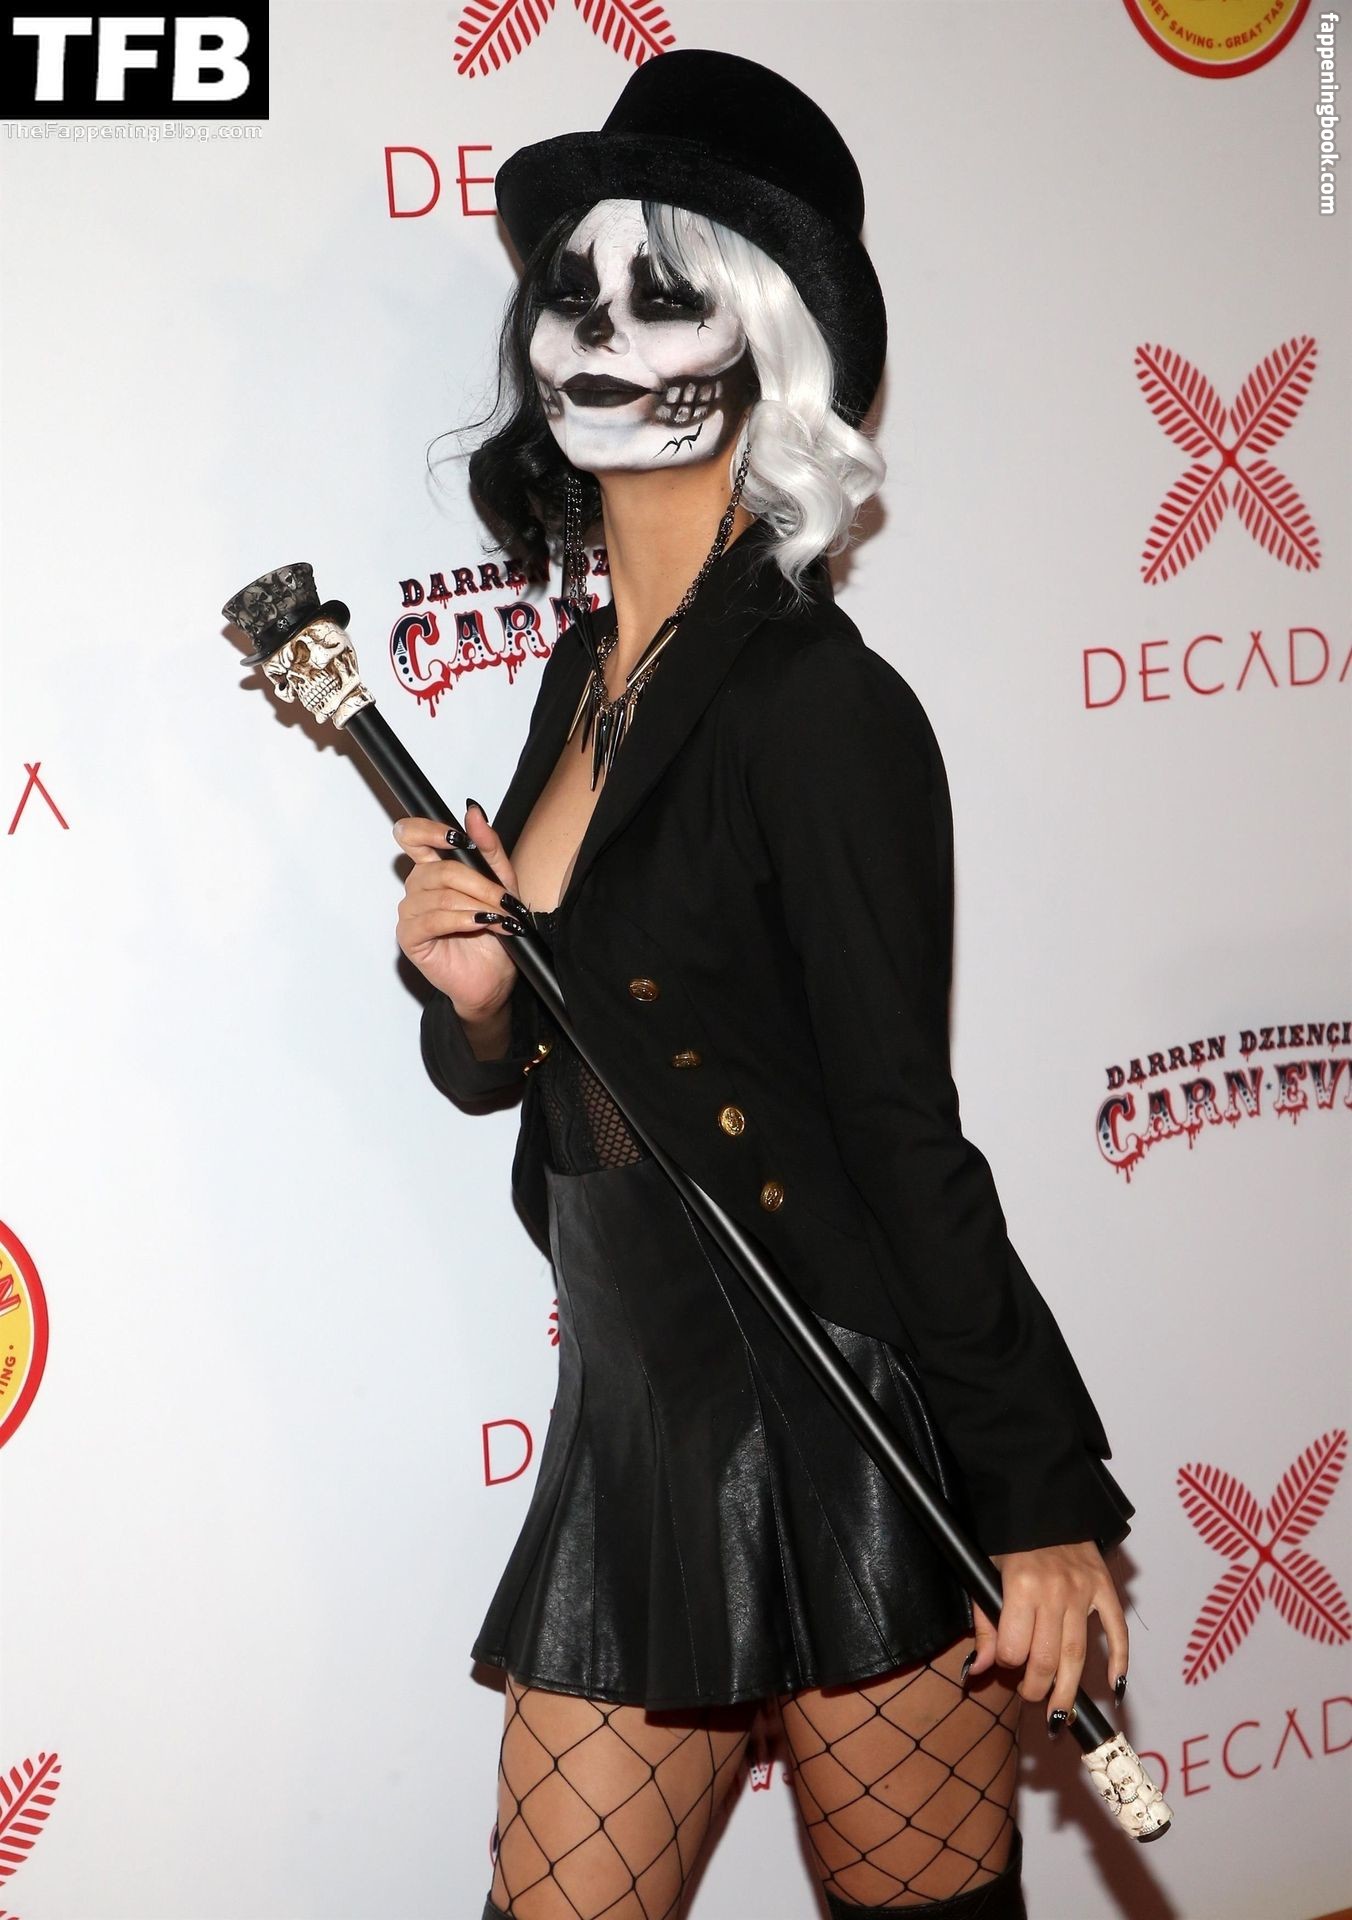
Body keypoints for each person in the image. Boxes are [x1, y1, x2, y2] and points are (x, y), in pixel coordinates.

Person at [395, 50, 1133, 1920]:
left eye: (664, 291)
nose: (598, 332)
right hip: (633, 1419)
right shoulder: (581, 682)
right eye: (572, 286)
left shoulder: (823, 711)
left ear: (772, 352)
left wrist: (1042, 1497)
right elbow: (539, 1070)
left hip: (833, 1420)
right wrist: (472, 995)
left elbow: (899, 1126)